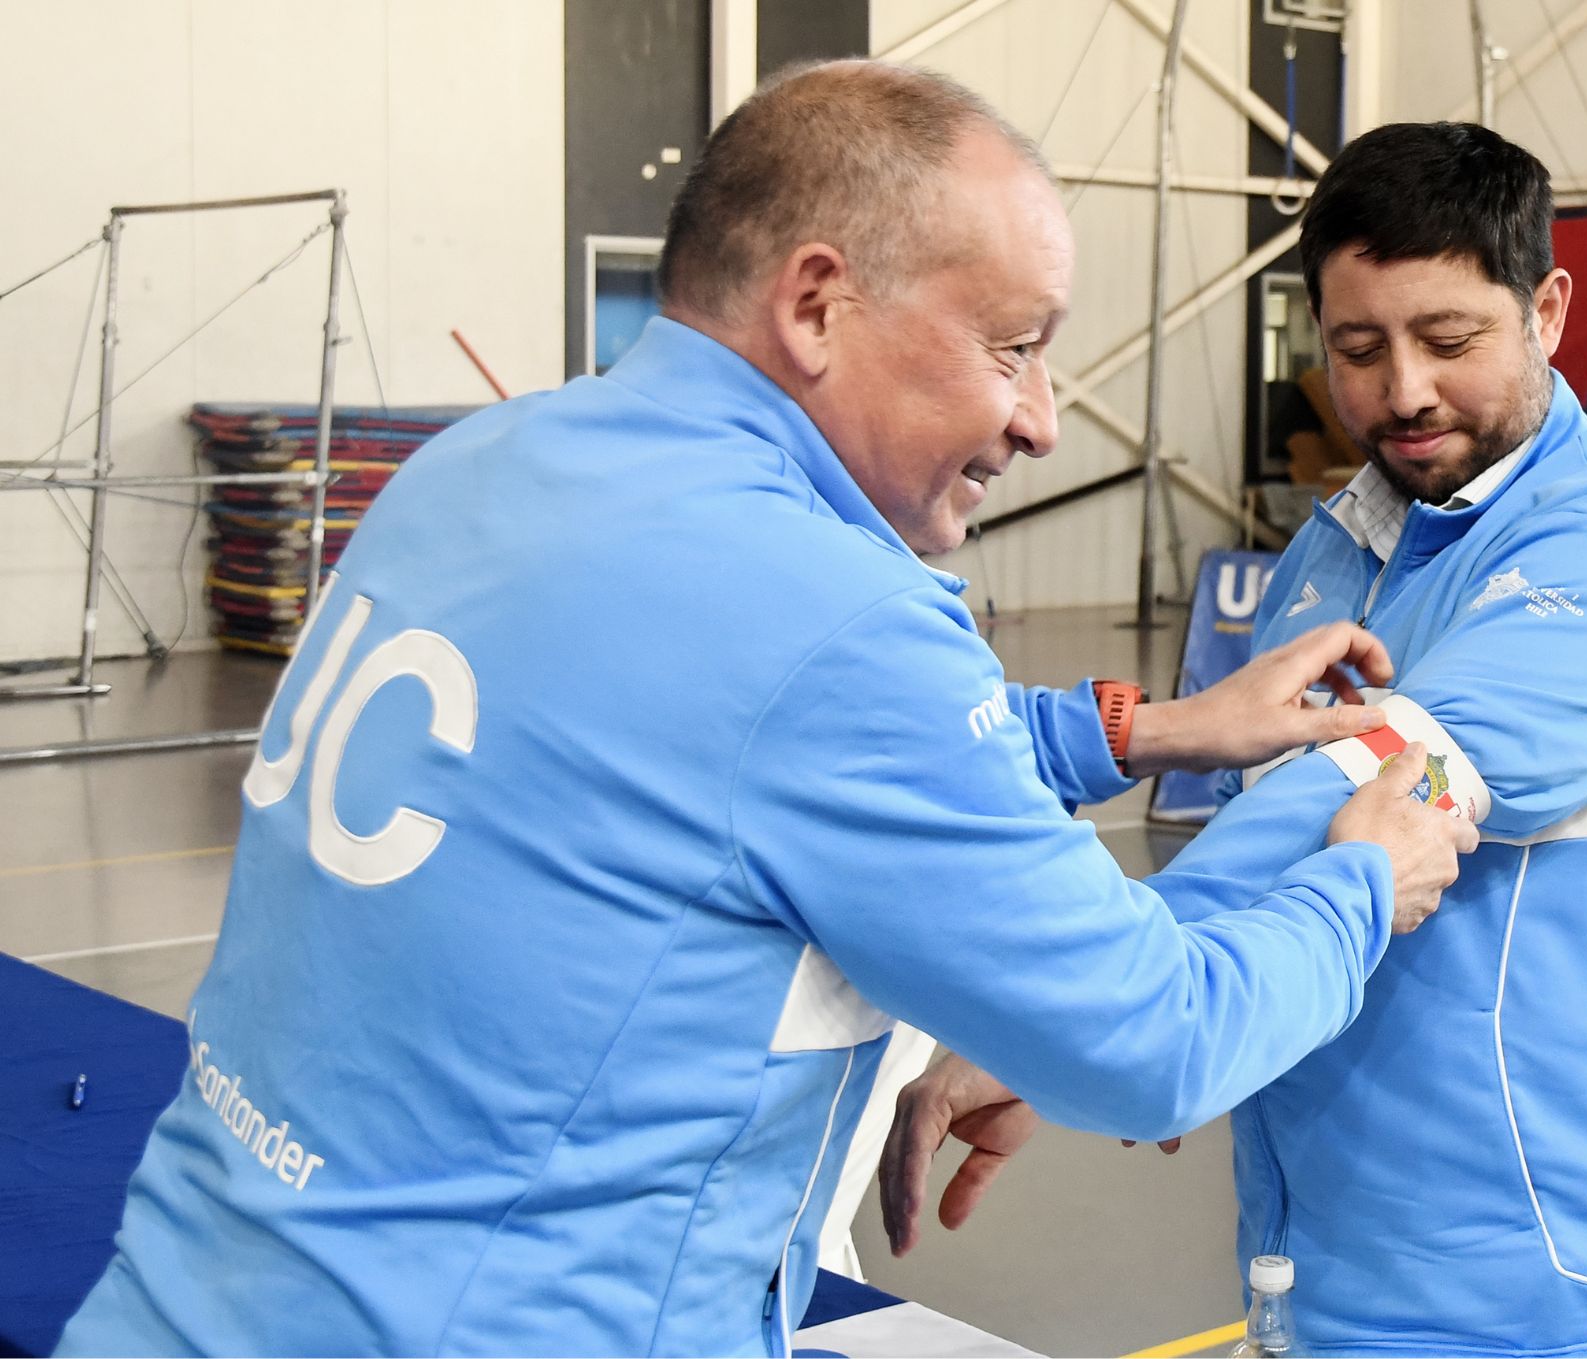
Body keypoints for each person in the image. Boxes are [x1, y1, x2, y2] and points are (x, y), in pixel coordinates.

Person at [55, 65, 1479, 1358]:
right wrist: (1368, 875)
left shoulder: (479, 463)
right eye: (1014, 346)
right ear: (815, 304)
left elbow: (730, 752)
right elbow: (1157, 1037)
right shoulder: (833, 612)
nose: (1042, 417)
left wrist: (1152, 730)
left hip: (185, 1296)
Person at [885, 121, 1587, 1358]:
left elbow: (1370, 787)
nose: (1401, 391)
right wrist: (1134, 1034)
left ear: (1546, 311)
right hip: (1324, 1266)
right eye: (1357, 348)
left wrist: (1086, 1010)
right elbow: (1265, 832)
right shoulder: (1340, 542)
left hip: (1546, 1301)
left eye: (1449, 341)